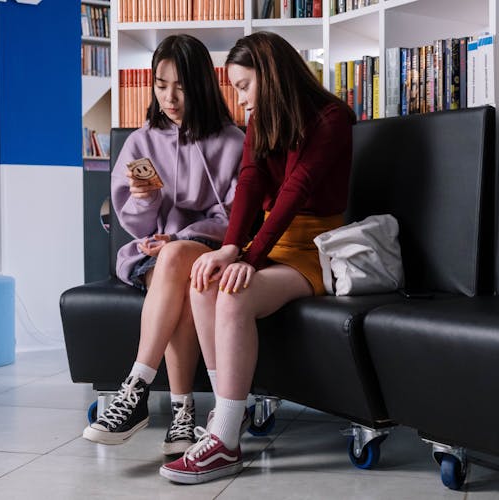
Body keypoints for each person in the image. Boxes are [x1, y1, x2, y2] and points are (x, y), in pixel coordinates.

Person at [159, 32, 356, 484]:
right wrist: (230, 248)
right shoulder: (262, 121)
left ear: (272, 76)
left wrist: (249, 256)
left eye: (245, 86)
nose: (241, 98)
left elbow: (296, 190)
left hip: (312, 249)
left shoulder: (332, 118)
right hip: (270, 242)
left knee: (233, 293)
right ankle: (227, 417)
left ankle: (225, 442)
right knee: (205, 278)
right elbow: (249, 183)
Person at [82, 34, 245, 456]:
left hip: (212, 249)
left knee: (180, 263)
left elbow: (235, 219)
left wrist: (181, 237)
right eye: (160, 85)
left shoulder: (233, 142)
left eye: (181, 86)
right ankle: (181, 415)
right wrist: (144, 199)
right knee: (180, 280)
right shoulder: (141, 141)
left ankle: (139, 391)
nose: (169, 98)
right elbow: (134, 223)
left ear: (202, 86)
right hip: (155, 253)